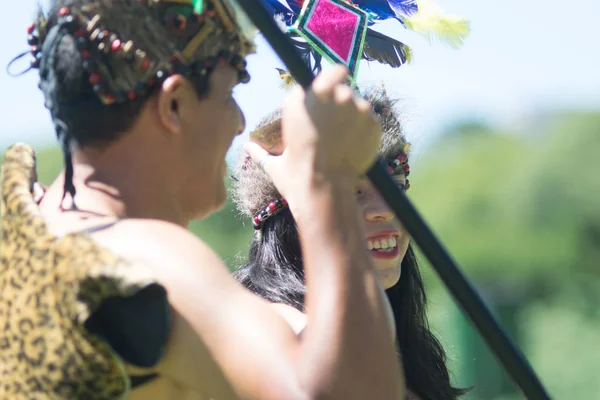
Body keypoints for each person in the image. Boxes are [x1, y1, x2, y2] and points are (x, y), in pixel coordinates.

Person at [0, 1, 405, 399]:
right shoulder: (145, 257)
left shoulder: (24, 226)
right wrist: (327, 182)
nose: (239, 122)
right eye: (229, 94)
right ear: (174, 105)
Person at [232, 86, 470, 400]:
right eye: (351, 193)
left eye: (395, 190)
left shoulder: (409, 347)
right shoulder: (274, 331)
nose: (385, 211)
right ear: (291, 214)